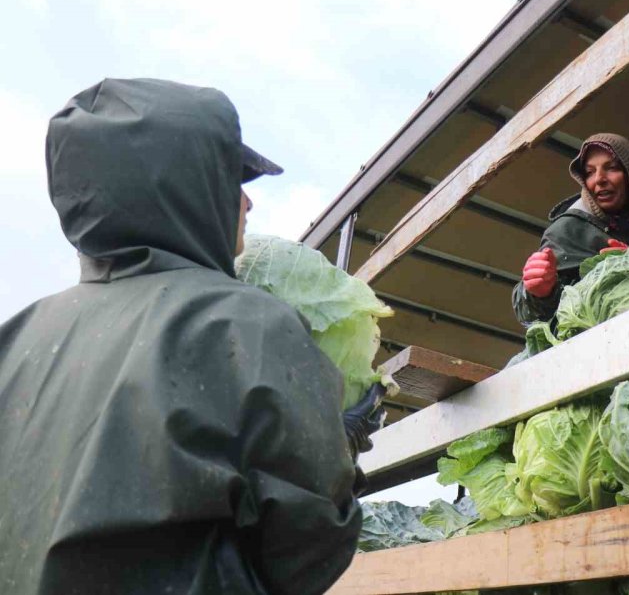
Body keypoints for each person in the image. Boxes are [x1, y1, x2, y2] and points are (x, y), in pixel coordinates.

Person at [0, 78, 380, 595]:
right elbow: (308, 551)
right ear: (185, 190)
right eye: (232, 180)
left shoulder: (16, 338)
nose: (248, 202)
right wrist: (338, 445)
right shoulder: (246, 323)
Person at [512, 132, 629, 325]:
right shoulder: (567, 230)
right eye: (589, 172)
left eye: (611, 168)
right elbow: (530, 313)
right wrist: (539, 293)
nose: (599, 179)